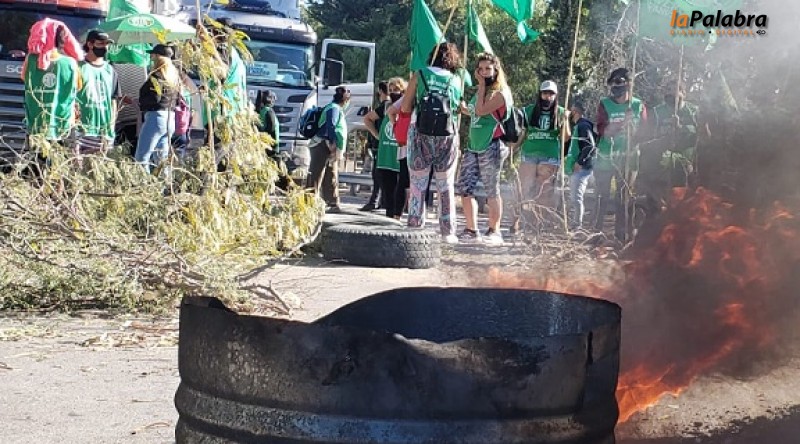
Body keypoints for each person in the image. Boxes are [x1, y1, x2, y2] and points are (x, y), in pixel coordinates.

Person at [400, 43, 464, 243]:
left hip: (420, 134)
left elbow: (405, 107)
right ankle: (448, 231)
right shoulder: (456, 80)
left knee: (418, 183)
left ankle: (415, 225)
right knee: (445, 184)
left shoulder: (419, 75)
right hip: (448, 136)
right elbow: (457, 108)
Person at [456, 52, 512, 244]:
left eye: (488, 68)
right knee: (465, 187)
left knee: (491, 190)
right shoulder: (480, 92)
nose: (484, 72)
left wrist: (480, 85)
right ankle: (471, 230)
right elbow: (473, 111)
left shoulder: (501, 93)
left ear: (496, 70)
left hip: (492, 144)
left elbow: (481, 110)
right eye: (480, 69)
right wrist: (462, 107)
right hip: (473, 145)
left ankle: (494, 230)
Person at [594, 67, 648, 244]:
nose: (614, 86)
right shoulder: (604, 104)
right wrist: (621, 124)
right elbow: (602, 130)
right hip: (606, 157)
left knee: (624, 197)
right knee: (601, 196)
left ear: (628, 84)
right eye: (612, 83)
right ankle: (596, 234)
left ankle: (622, 236)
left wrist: (634, 132)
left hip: (629, 158)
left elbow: (645, 133)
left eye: (618, 82)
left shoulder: (638, 105)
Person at [514, 80, 569, 231]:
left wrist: (565, 121)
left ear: (556, 95)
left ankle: (539, 224)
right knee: (523, 188)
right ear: (540, 94)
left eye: (551, 94)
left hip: (549, 156)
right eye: (545, 93)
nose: (548, 97)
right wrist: (513, 148)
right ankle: (517, 221)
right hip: (529, 153)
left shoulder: (561, 112)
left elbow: (565, 138)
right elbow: (522, 133)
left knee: (543, 191)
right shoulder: (529, 111)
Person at [22, 21, 82, 144]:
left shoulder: (31, 60)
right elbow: (79, 86)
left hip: (36, 126)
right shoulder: (71, 63)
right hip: (62, 125)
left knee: (36, 155)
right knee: (61, 155)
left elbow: (23, 77)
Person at [134, 44, 179, 173]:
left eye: (153, 55)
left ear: (158, 57)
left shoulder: (156, 77)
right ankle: (165, 184)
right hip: (170, 118)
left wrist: (141, 102)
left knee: (142, 157)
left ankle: (143, 182)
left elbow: (156, 98)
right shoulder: (173, 78)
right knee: (161, 159)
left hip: (156, 118)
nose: (151, 58)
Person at [366, 77, 407, 219]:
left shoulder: (407, 105)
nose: (393, 92)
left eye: (396, 89)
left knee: (400, 187)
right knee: (387, 188)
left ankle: (397, 215)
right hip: (385, 155)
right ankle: (389, 215)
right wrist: (377, 135)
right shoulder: (385, 107)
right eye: (391, 90)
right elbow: (367, 119)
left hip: (400, 153)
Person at [76, 30, 122, 156]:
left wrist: (111, 127)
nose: (105, 47)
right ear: (90, 44)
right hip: (82, 131)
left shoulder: (111, 71)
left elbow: (113, 101)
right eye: (101, 44)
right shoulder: (78, 68)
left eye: (107, 44)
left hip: (103, 133)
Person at [306, 86, 350, 212]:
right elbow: (331, 125)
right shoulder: (333, 109)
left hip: (325, 145)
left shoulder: (332, 107)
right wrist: (332, 143)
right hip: (323, 144)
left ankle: (332, 202)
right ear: (345, 100)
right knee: (316, 174)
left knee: (330, 173)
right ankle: (309, 203)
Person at [565, 100, 597, 230]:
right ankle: (575, 222)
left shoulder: (583, 126)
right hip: (578, 167)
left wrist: (580, 162)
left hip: (582, 168)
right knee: (573, 196)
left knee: (576, 197)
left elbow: (589, 146)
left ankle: (577, 224)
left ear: (575, 112)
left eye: (571, 111)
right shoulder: (578, 126)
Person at [360, 81, 390, 212]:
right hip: (390, 145)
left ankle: (375, 200)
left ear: (381, 91)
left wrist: (377, 136)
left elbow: (367, 119)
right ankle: (382, 201)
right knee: (384, 174)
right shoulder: (395, 105)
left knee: (378, 174)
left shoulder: (384, 106)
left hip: (380, 146)